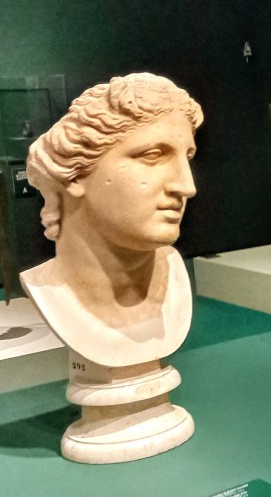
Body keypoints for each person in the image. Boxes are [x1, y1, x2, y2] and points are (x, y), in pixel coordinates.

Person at [20, 72, 202, 366]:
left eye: (188, 157)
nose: (186, 186)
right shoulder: (47, 291)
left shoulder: (175, 274)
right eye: (153, 155)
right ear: (76, 174)